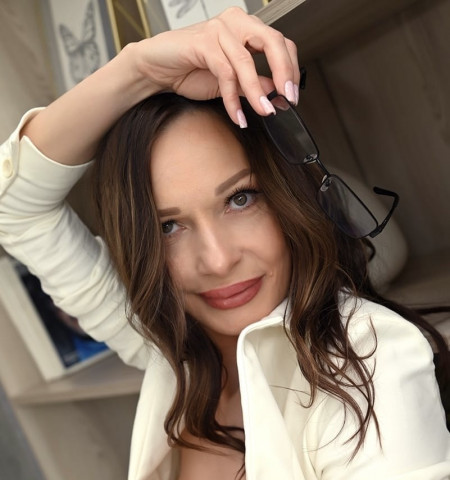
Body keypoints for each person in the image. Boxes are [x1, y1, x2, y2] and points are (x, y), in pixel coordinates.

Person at [0, 7, 449, 480]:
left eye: (240, 199)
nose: (216, 261)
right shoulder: (174, 350)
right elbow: (13, 207)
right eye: (168, 227)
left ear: (287, 195)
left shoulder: (369, 358)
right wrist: (138, 68)